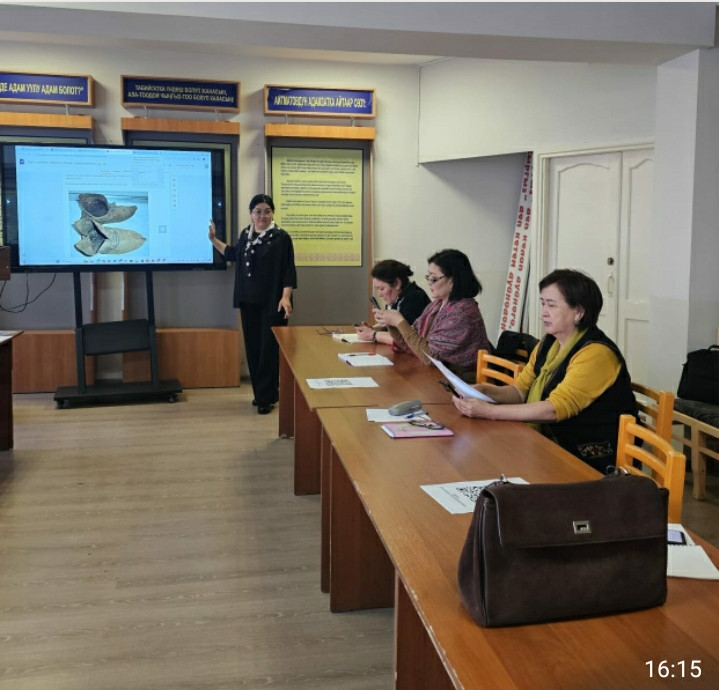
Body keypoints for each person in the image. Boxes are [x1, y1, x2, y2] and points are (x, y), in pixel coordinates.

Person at [452, 268, 638, 472]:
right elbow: (519, 391)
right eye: (542, 303)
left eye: (551, 305)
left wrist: (490, 411)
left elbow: (554, 409)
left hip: (587, 456)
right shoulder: (549, 344)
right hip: (548, 440)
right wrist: (484, 391)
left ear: (578, 312)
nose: (543, 313)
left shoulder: (596, 353)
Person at [209, 194, 297, 415]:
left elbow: (288, 270)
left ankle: (266, 397)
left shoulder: (281, 237)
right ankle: (262, 394)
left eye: (267, 211)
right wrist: (213, 240)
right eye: (258, 211)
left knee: (269, 350)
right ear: (251, 214)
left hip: (273, 303)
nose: (262, 216)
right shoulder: (246, 235)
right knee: (254, 348)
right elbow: (233, 254)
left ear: (273, 213)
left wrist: (286, 297)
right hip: (248, 301)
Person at [373, 249, 492, 381]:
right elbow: (411, 344)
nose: (429, 282)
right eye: (428, 277)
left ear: (453, 281)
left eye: (434, 279)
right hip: (443, 376)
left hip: (465, 382)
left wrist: (399, 322)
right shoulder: (436, 306)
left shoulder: (462, 312)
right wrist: (390, 322)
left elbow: (431, 357)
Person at [355, 259, 430, 345]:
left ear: (397, 283)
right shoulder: (396, 298)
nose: (379, 294)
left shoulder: (415, 298)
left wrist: (373, 335)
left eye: (382, 289)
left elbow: (407, 339)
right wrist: (372, 329)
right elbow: (394, 328)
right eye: (377, 289)